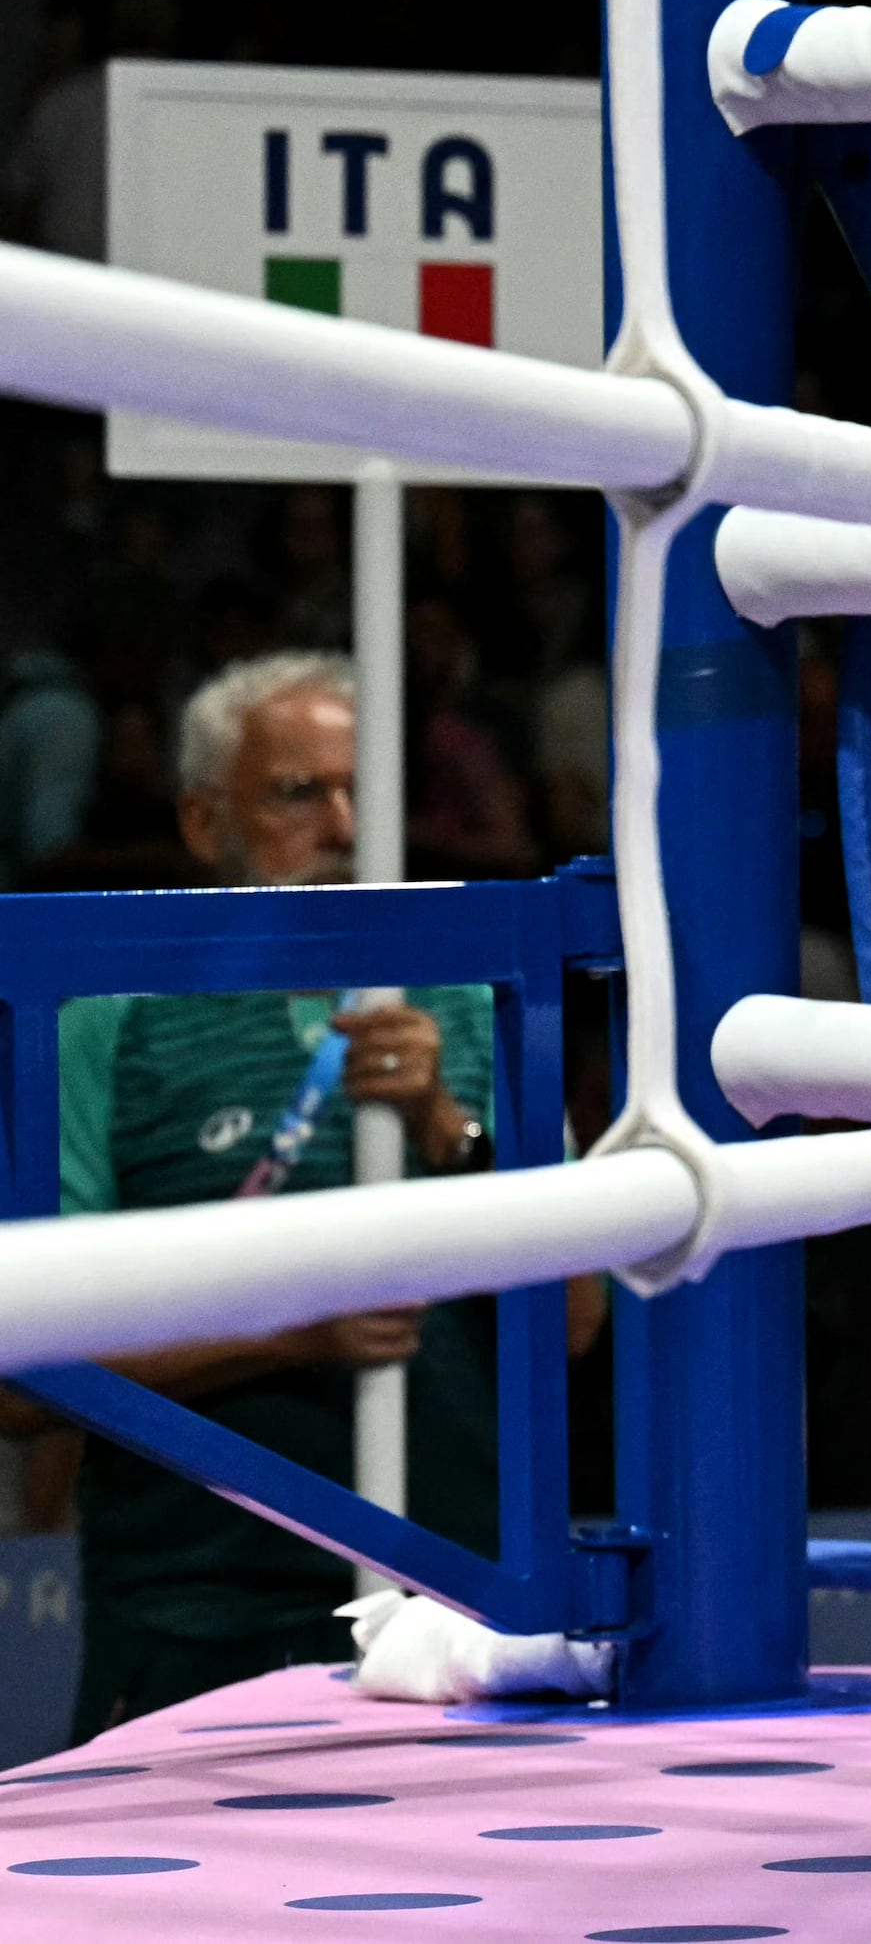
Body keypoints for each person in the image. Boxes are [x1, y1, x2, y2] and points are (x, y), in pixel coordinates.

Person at [0, 655, 511, 1733]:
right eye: (298, 794)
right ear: (201, 821)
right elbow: (22, 1378)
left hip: (457, 1614)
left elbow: (573, 1326)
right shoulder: (107, 1018)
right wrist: (291, 1337)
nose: (343, 826)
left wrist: (446, 1132)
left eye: (363, 788)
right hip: (196, 1621)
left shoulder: (477, 1001)